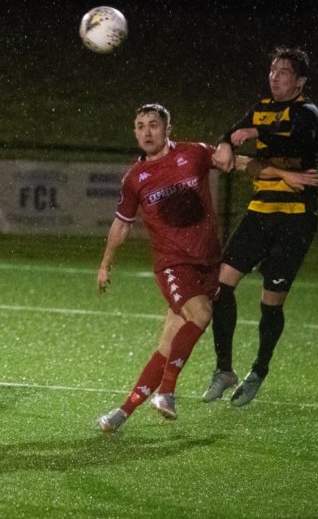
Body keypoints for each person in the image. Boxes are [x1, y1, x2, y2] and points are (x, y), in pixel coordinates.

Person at [97, 103, 233, 432]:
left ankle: (122, 413)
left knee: (168, 345)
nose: (146, 132)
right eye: (140, 125)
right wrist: (105, 265)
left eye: (153, 125)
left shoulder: (194, 153)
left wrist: (271, 169)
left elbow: (230, 161)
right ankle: (167, 392)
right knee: (201, 316)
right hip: (173, 263)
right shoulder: (135, 178)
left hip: (208, 260)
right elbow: (122, 224)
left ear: (167, 128)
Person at [202, 46, 318, 406]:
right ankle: (224, 370)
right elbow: (232, 142)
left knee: (271, 302)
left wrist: (253, 137)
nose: (275, 76)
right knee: (220, 288)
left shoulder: (308, 112)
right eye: (272, 69)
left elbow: (293, 139)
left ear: (300, 81)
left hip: (295, 219)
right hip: (259, 212)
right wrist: (226, 145)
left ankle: (258, 371)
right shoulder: (260, 108)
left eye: (284, 72)